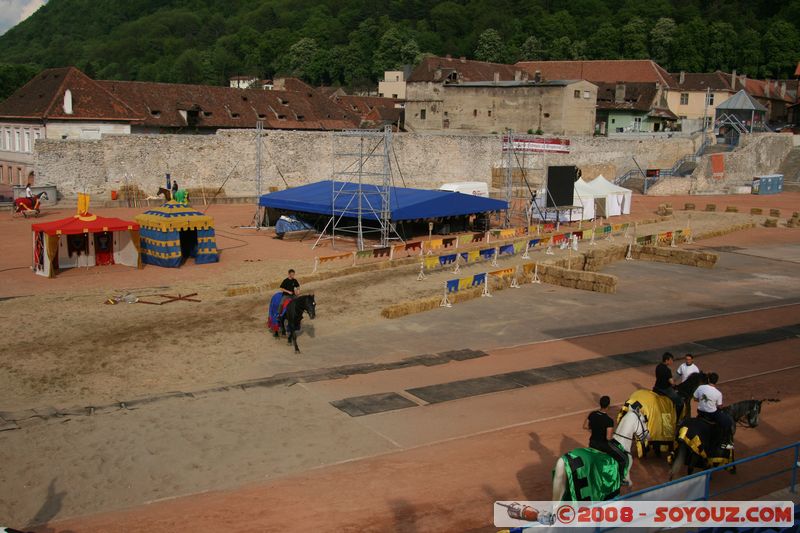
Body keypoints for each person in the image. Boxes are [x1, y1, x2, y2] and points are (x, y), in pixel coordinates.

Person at [584, 396, 626, 478]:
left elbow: (585, 426)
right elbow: (608, 438)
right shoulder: (609, 420)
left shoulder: (592, 414)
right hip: (603, 446)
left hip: (592, 443)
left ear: (600, 404)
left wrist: (595, 427)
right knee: (623, 458)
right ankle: (620, 479)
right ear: (608, 406)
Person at [694, 372, 734, 449]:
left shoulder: (700, 387)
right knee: (728, 422)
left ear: (708, 379)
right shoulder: (718, 393)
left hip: (700, 412)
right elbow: (719, 406)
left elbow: (695, 398)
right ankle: (725, 443)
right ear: (716, 381)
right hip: (711, 414)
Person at [653, 352, 683, 419]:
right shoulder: (667, 370)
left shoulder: (658, 366)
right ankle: (677, 419)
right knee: (680, 402)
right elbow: (671, 382)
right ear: (666, 360)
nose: (672, 361)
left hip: (656, 387)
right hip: (665, 389)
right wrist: (675, 385)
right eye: (671, 360)